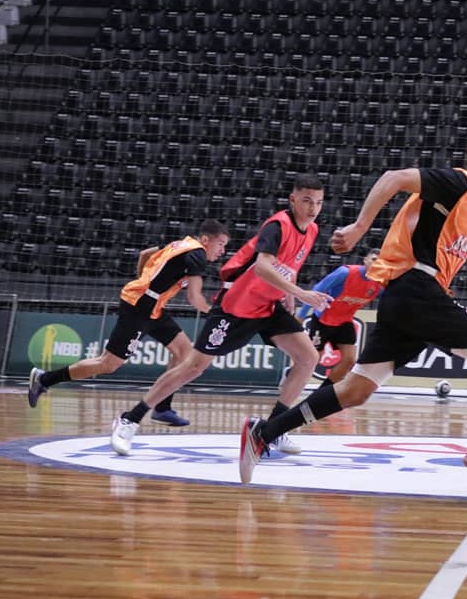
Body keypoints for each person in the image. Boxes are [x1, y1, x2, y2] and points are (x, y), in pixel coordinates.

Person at [238, 127, 467, 493]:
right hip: (417, 287)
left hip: (406, 298)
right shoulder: (457, 182)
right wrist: (360, 227)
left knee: (354, 391)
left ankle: (264, 432)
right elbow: (394, 178)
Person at [109, 173, 333, 455]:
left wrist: (287, 294)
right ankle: (130, 419)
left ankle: (274, 429)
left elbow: (287, 265)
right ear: (292, 199)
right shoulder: (277, 226)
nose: (313, 208)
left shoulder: (311, 230)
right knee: (193, 367)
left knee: (308, 357)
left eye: (319, 202)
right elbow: (264, 267)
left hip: (268, 307)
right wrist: (302, 294)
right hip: (236, 308)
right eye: (307, 201)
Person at [27, 219, 230, 426]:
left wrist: (143, 281)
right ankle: (45, 379)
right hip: (139, 307)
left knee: (184, 353)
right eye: (221, 244)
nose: (223, 251)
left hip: (153, 306)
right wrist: (218, 314)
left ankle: (162, 408)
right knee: (108, 364)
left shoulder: (180, 244)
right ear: (205, 240)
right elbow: (195, 298)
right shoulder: (197, 255)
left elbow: (145, 255)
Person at [295, 247, 383, 387]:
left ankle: (324, 391)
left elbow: (391, 299)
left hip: (344, 322)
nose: (376, 264)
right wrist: (301, 315)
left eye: (381, 262)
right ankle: (293, 380)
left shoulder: (380, 284)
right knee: (312, 359)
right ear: (365, 260)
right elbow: (318, 289)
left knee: (349, 360)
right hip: (323, 319)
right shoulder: (345, 272)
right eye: (373, 260)